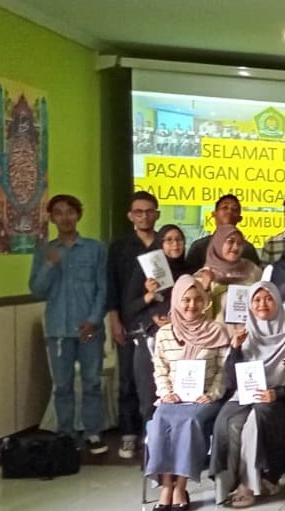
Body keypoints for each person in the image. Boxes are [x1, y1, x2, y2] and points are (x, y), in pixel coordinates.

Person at [211, 282, 285, 507]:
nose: (262, 304)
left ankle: (249, 484)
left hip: (279, 399)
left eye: (268, 298)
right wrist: (235, 349)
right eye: (257, 300)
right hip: (245, 396)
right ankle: (226, 484)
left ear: (277, 301)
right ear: (250, 305)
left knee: (256, 421)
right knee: (227, 421)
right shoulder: (245, 335)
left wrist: (276, 393)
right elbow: (231, 382)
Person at [28, 194, 109, 455]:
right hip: (58, 330)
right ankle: (65, 435)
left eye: (70, 212)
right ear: (52, 218)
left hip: (90, 329)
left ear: (78, 215)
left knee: (92, 383)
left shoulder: (95, 249)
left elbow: (103, 287)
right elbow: (37, 290)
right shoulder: (45, 251)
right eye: (59, 213)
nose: (65, 217)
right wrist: (49, 265)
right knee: (62, 386)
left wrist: (94, 320)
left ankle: (93, 432)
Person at [145, 275, 231, 511]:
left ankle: (180, 486)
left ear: (204, 301)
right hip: (173, 398)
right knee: (160, 419)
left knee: (189, 421)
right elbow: (160, 369)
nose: (192, 305)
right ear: (176, 301)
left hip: (204, 399)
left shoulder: (217, 331)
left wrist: (211, 394)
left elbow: (223, 371)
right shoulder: (164, 333)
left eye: (197, 299)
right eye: (186, 300)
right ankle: (166, 486)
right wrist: (166, 392)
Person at [120, 224, 194, 432]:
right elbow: (129, 308)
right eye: (168, 240)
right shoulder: (145, 271)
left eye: (179, 239)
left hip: (182, 343)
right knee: (149, 394)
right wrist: (149, 296)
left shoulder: (189, 270)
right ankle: (150, 443)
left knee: (179, 396)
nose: (175, 244)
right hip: (150, 340)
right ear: (160, 244)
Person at [106, 190, 161, 459]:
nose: (144, 216)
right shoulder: (119, 247)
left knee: (158, 379)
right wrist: (114, 320)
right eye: (138, 212)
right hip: (129, 320)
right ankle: (129, 433)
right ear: (130, 216)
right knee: (128, 378)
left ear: (157, 214)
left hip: (160, 321)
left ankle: (154, 432)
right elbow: (112, 286)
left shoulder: (165, 243)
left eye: (149, 211)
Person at [198, 225, 263, 322]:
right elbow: (197, 316)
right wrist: (205, 288)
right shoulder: (203, 276)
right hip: (217, 330)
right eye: (230, 241)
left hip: (248, 329)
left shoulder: (253, 271)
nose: (235, 247)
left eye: (240, 243)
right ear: (218, 243)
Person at [186, 194, 260, 268]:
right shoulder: (199, 247)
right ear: (214, 214)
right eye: (225, 207)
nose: (229, 211)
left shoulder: (247, 249)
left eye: (234, 209)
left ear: (240, 218)